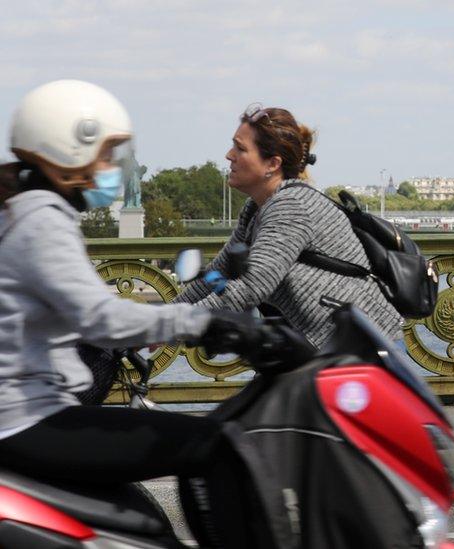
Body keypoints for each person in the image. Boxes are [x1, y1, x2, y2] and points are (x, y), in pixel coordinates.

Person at [0, 80, 270, 547]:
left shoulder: (25, 211)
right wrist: (203, 322)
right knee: (216, 444)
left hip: (28, 414)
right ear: (69, 152)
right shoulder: (42, 220)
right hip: (27, 419)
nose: (111, 169)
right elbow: (101, 319)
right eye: (106, 155)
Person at [173, 103, 402, 346]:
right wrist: (162, 317)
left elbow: (251, 286)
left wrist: (171, 326)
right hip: (326, 349)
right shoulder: (256, 209)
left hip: (365, 349)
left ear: (272, 164)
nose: (229, 155)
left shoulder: (291, 206)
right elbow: (220, 271)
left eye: (240, 149)